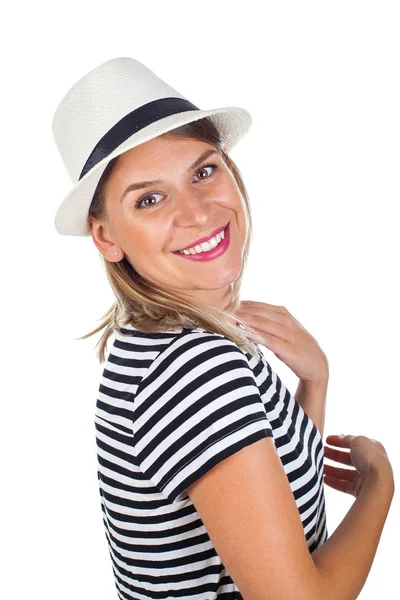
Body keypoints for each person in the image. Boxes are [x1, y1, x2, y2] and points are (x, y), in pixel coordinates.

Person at [52, 57, 395, 600]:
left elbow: (268, 488)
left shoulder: (159, 338)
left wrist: (314, 382)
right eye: (149, 198)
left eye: (203, 171)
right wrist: (380, 488)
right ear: (106, 236)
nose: (197, 212)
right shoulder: (195, 368)